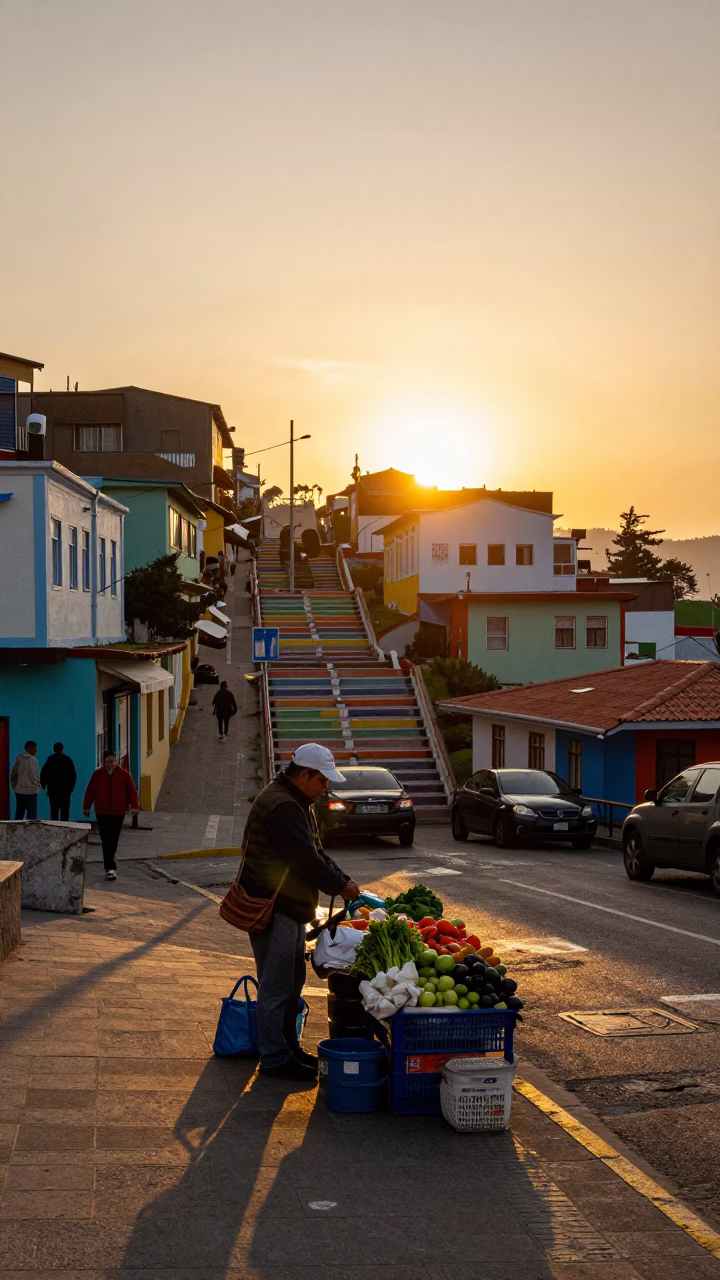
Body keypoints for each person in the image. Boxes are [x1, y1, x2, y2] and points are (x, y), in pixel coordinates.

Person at [236, 742, 360, 1082]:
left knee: (292, 983)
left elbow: (315, 851)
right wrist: (339, 886)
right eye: (322, 781)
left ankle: (288, 1048)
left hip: (288, 909)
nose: (325, 788)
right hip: (274, 909)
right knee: (276, 986)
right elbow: (304, 860)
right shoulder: (283, 806)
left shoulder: (295, 800)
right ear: (303, 774)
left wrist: (343, 879)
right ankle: (275, 1058)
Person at [83, 750, 139, 881]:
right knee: (106, 839)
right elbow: (90, 790)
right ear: (103, 763)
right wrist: (86, 806)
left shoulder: (124, 775)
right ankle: (110, 867)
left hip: (118, 812)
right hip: (102, 812)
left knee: (113, 839)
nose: (111, 764)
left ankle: (110, 861)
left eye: (113, 760)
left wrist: (135, 806)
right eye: (108, 761)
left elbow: (132, 791)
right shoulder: (97, 775)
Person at [40, 742, 77, 821]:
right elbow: (73, 775)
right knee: (65, 812)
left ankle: (55, 829)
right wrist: (71, 788)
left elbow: (43, 773)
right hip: (65, 791)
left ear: (54, 749)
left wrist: (43, 784)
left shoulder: (50, 759)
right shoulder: (67, 759)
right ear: (62, 749)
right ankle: (64, 828)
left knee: (54, 812)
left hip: (53, 790)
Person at [10, 741, 41, 820]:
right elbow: (33, 776)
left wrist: (14, 786)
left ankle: (15, 830)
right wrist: (37, 784)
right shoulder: (33, 759)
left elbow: (13, 773)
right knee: (31, 816)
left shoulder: (19, 758)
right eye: (34, 748)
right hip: (31, 791)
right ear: (30, 749)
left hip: (19, 790)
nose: (36, 750)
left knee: (19, 813)